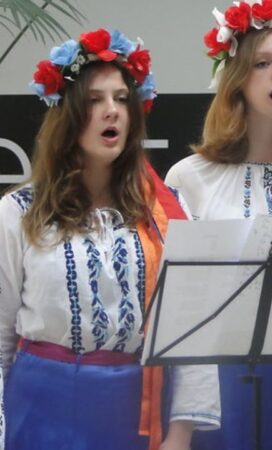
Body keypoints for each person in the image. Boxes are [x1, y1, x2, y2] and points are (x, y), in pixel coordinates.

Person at [0, 28, 220, 450]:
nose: (112, 111)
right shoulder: (20, 212)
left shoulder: (165, 214)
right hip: (40, 408)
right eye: (96, 100)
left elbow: (194, 327)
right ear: (68, 114)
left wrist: (180, 434)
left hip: (130, 412)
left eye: (122, 99)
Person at [164, 1, 272, 448]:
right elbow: (179, 308)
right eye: (263, 63)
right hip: (216, 383)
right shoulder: (190, 177)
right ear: (237, 79)